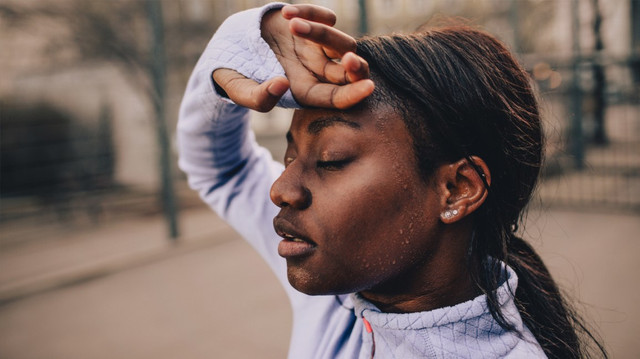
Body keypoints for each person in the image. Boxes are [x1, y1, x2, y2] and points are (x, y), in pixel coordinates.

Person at [177, 3, 607, 358]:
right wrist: (250, 42)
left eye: (331, 159)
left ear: (457, 189)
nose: (281, 189)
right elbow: (222, 168)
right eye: (290, 155)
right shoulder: (339, 297)